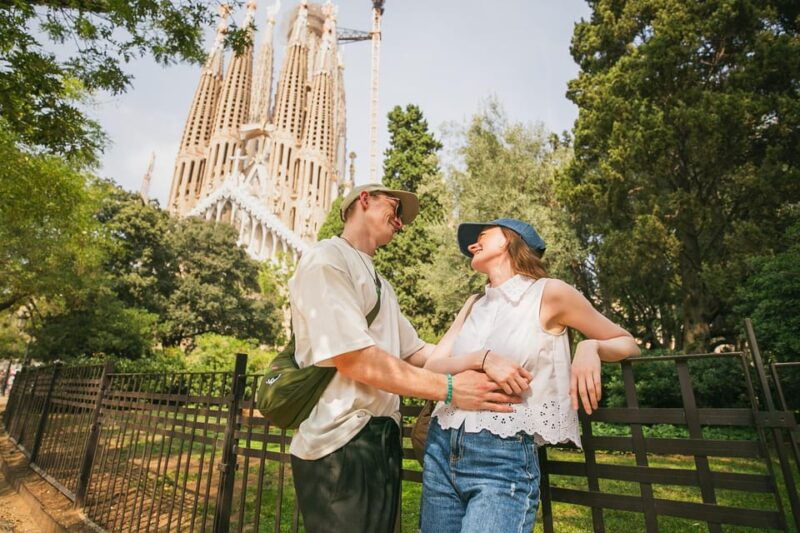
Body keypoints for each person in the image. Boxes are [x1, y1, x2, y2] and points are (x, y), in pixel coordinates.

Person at [288, 186, 527, 533]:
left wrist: (483, 358)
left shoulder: (381, 284)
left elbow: (417, 354)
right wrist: (450, 388)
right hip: (339, 445)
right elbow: (355, 360)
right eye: (396, 209)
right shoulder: (326, 259)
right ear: (365, 199)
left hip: (379, 442)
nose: (400, 223)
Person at [420, 218, 641, 533]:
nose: (471, 245)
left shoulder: (549, 292)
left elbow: (627, 342)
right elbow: (432, 367)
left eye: (482, 235)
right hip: (441, 447)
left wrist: (590, 347)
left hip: (501, 456)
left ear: (509, 240)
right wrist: (482, 359)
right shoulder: (473, 304)